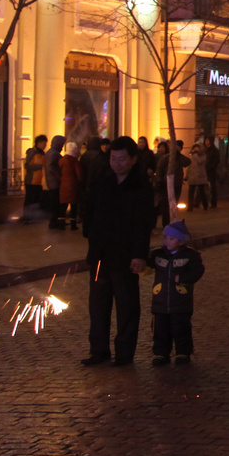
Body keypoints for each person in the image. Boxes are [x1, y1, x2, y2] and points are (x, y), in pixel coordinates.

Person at [81, 135, 154, 367]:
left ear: (132, 160)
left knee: (126, 305)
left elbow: (144, 224)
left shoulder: (141, 185)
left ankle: (124, 352)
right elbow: (89, 210)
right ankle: (98, 350)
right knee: (98, 305)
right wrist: (91, 237)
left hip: (126, 255)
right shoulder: (102, 180)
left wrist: (140, 254)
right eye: (114, 158)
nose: (117, 163)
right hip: (101, 253)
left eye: (122, 159)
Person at [148, 219, 205, 365]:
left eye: (171, 238)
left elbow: (197, 271)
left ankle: (183, 352)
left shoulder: (190, 256)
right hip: (160, 302)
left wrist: (183, 278)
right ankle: (161, 353)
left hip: (180, 302)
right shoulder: (158, 254)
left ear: (180, 241)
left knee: (181, 328)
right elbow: (147, 264)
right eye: (165, 237)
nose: (167, 241)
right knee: (160, 329)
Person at [23, 134, 49, 218]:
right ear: (38, 143)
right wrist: (41, 166)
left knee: (37, 200)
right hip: (31, 181)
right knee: (30, 199)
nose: (45, 145)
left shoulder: (43, 153)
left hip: (39, 181)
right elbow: (27, 166)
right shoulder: (32, 152)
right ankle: (26, 217)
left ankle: (34, 216)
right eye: (44, 143)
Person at [185, 136, 213, 211]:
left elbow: (200, 162)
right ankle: (190, 207)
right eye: (195, 147)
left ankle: (205, 205)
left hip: (200, 176)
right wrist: (186, 176)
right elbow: (189, 166)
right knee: (191, 192)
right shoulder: (192, 156)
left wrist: (196, 154)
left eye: (197, 147)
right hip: (192, 176)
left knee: (202, 192)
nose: (196, 149)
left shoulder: (203, 155)